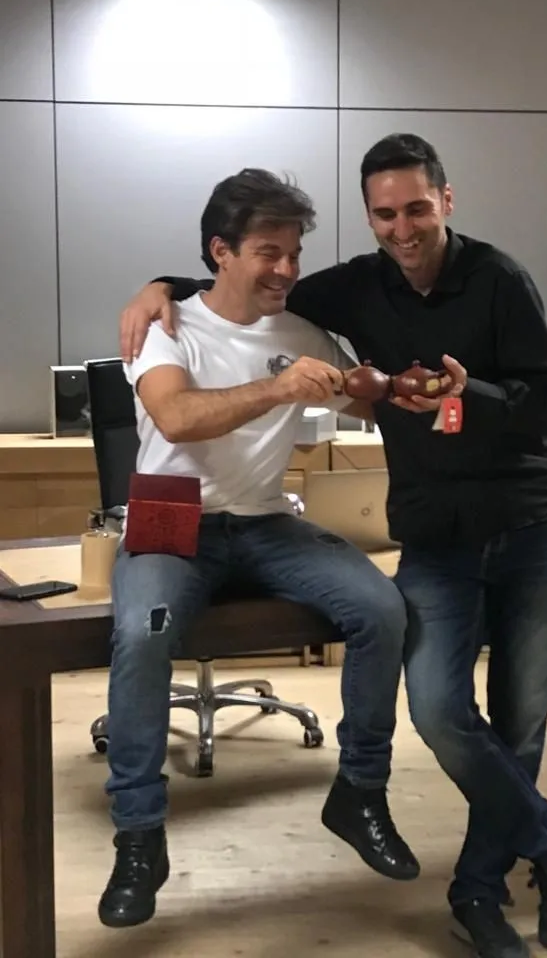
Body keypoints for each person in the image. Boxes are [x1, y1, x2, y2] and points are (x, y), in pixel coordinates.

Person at [120, 136, 547, 958]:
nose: (402, 228)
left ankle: (452, 869)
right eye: (385, 213)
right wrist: (160, 287)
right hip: (212, 516)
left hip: (512, 518)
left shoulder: (481, 282)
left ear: (446, 201)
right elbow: (190, 385)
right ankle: (138, 837)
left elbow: (495, 402)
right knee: (146, 632)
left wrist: (436, 393)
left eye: (417, 208)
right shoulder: (234, 312)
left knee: (478, 688)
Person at [99, 168, 420, 932]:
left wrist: (406, 389)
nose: (286, 269)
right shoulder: (163, 324)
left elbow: (365, 398)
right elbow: (177, 417)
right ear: (221, 251)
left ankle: (359, 793)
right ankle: (139, 836)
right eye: (269, 253)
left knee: (382, 609)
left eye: (294, 253)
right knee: (142, 633)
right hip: (174, 520)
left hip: (268, 523)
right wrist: (277, 390)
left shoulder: (301, 333)